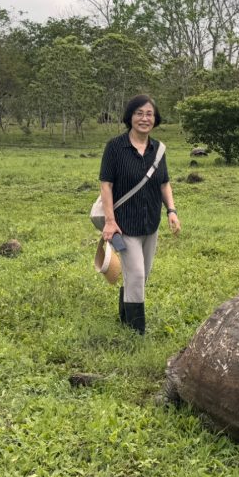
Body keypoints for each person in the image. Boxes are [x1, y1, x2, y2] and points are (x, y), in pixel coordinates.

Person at [98, 94, 180, 333]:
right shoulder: (115, 147)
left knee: (141, 275)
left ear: (155, 119)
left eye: (149, 114)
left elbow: (164, 183)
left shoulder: (159, 149)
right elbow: (106, 185)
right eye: (139, 113)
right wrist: (110, 222)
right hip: (124, 224)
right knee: (136, 274)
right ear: (130, 117)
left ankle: (124, 318)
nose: (144, 118)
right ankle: (136, 331)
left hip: (150, 221)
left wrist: (171, 211)